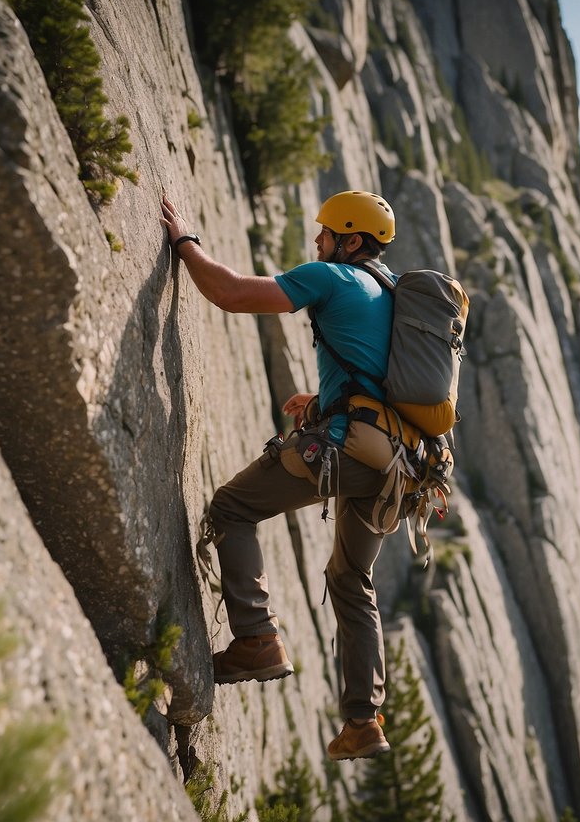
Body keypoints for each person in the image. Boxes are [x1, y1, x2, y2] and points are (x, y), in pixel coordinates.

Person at [160, 190, 400, 761]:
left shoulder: (333, 277)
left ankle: (256, 638)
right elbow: (378, 373)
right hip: (396, 465)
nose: (316, 240)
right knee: (351, 580)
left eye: (326, 232)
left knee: (231, 508)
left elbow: (231, 293)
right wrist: (322, 402)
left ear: (350, 240)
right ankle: (364, 721)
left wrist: (185, 243)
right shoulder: (388, 290)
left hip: (346, 450)